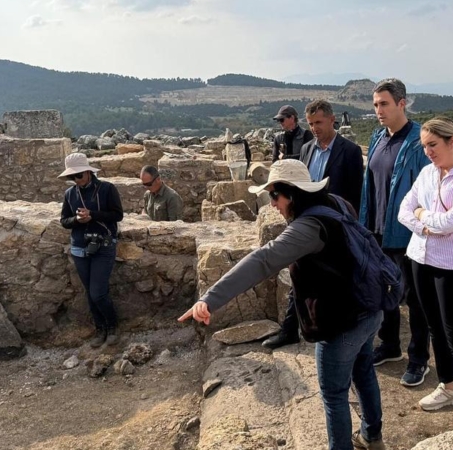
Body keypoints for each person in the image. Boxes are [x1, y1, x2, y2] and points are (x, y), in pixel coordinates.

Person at [179, 159, 387, 450]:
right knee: (364, 372)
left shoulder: (308, 227)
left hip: (341, 322)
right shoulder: (337, 204)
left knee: (334, 394)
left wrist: (210, 299)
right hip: (369, 307)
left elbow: (263, 260)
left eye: (274, 195)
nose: (272, 203)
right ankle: (372, 436)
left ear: (292, 193)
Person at [397, 117, 453, 427]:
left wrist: (421, 217)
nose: (428, 152)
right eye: (424, 147)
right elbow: (403, 211)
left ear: (452, 141)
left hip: (452, 264)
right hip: (419, 257)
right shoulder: (425, 173)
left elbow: (451, 224)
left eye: (433, 145)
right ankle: (448, 385)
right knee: (433, 325)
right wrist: (425, 221)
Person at [262, 100, 364, 349]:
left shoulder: (349, 151)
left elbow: (355, 193)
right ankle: (291, 329)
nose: (315, 128)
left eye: (319, 122)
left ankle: (346, 332)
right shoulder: (307, 149)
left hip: (334, 228)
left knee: (333, 282)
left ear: (332, 120)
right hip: (307, 223)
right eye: (311, 123)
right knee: (300, 276)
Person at [358, 78, 433, 388]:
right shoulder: (378, 137)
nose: (379, 110)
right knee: (382, 293)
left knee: (416, 299)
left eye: (384, 104)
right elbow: (370, 185)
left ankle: (419, 360)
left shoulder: (418, 141)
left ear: (403, 103)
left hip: (406, 235)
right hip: (376, 232)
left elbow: (428, 191)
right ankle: (389, 345)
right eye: (375, 105)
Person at [59, 153, 124, 348]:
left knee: (98, 293)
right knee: (89, 291)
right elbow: (64, 221)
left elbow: (117, 215)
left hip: (103, 245)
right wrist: (77, 220)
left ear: (88, 172)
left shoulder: (106, 189)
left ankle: (112, 326)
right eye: (73, 177)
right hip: (80, 247)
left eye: (79, 176)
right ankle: (100, 328)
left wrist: (93, 216)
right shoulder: (70, 194)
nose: (76, 180)